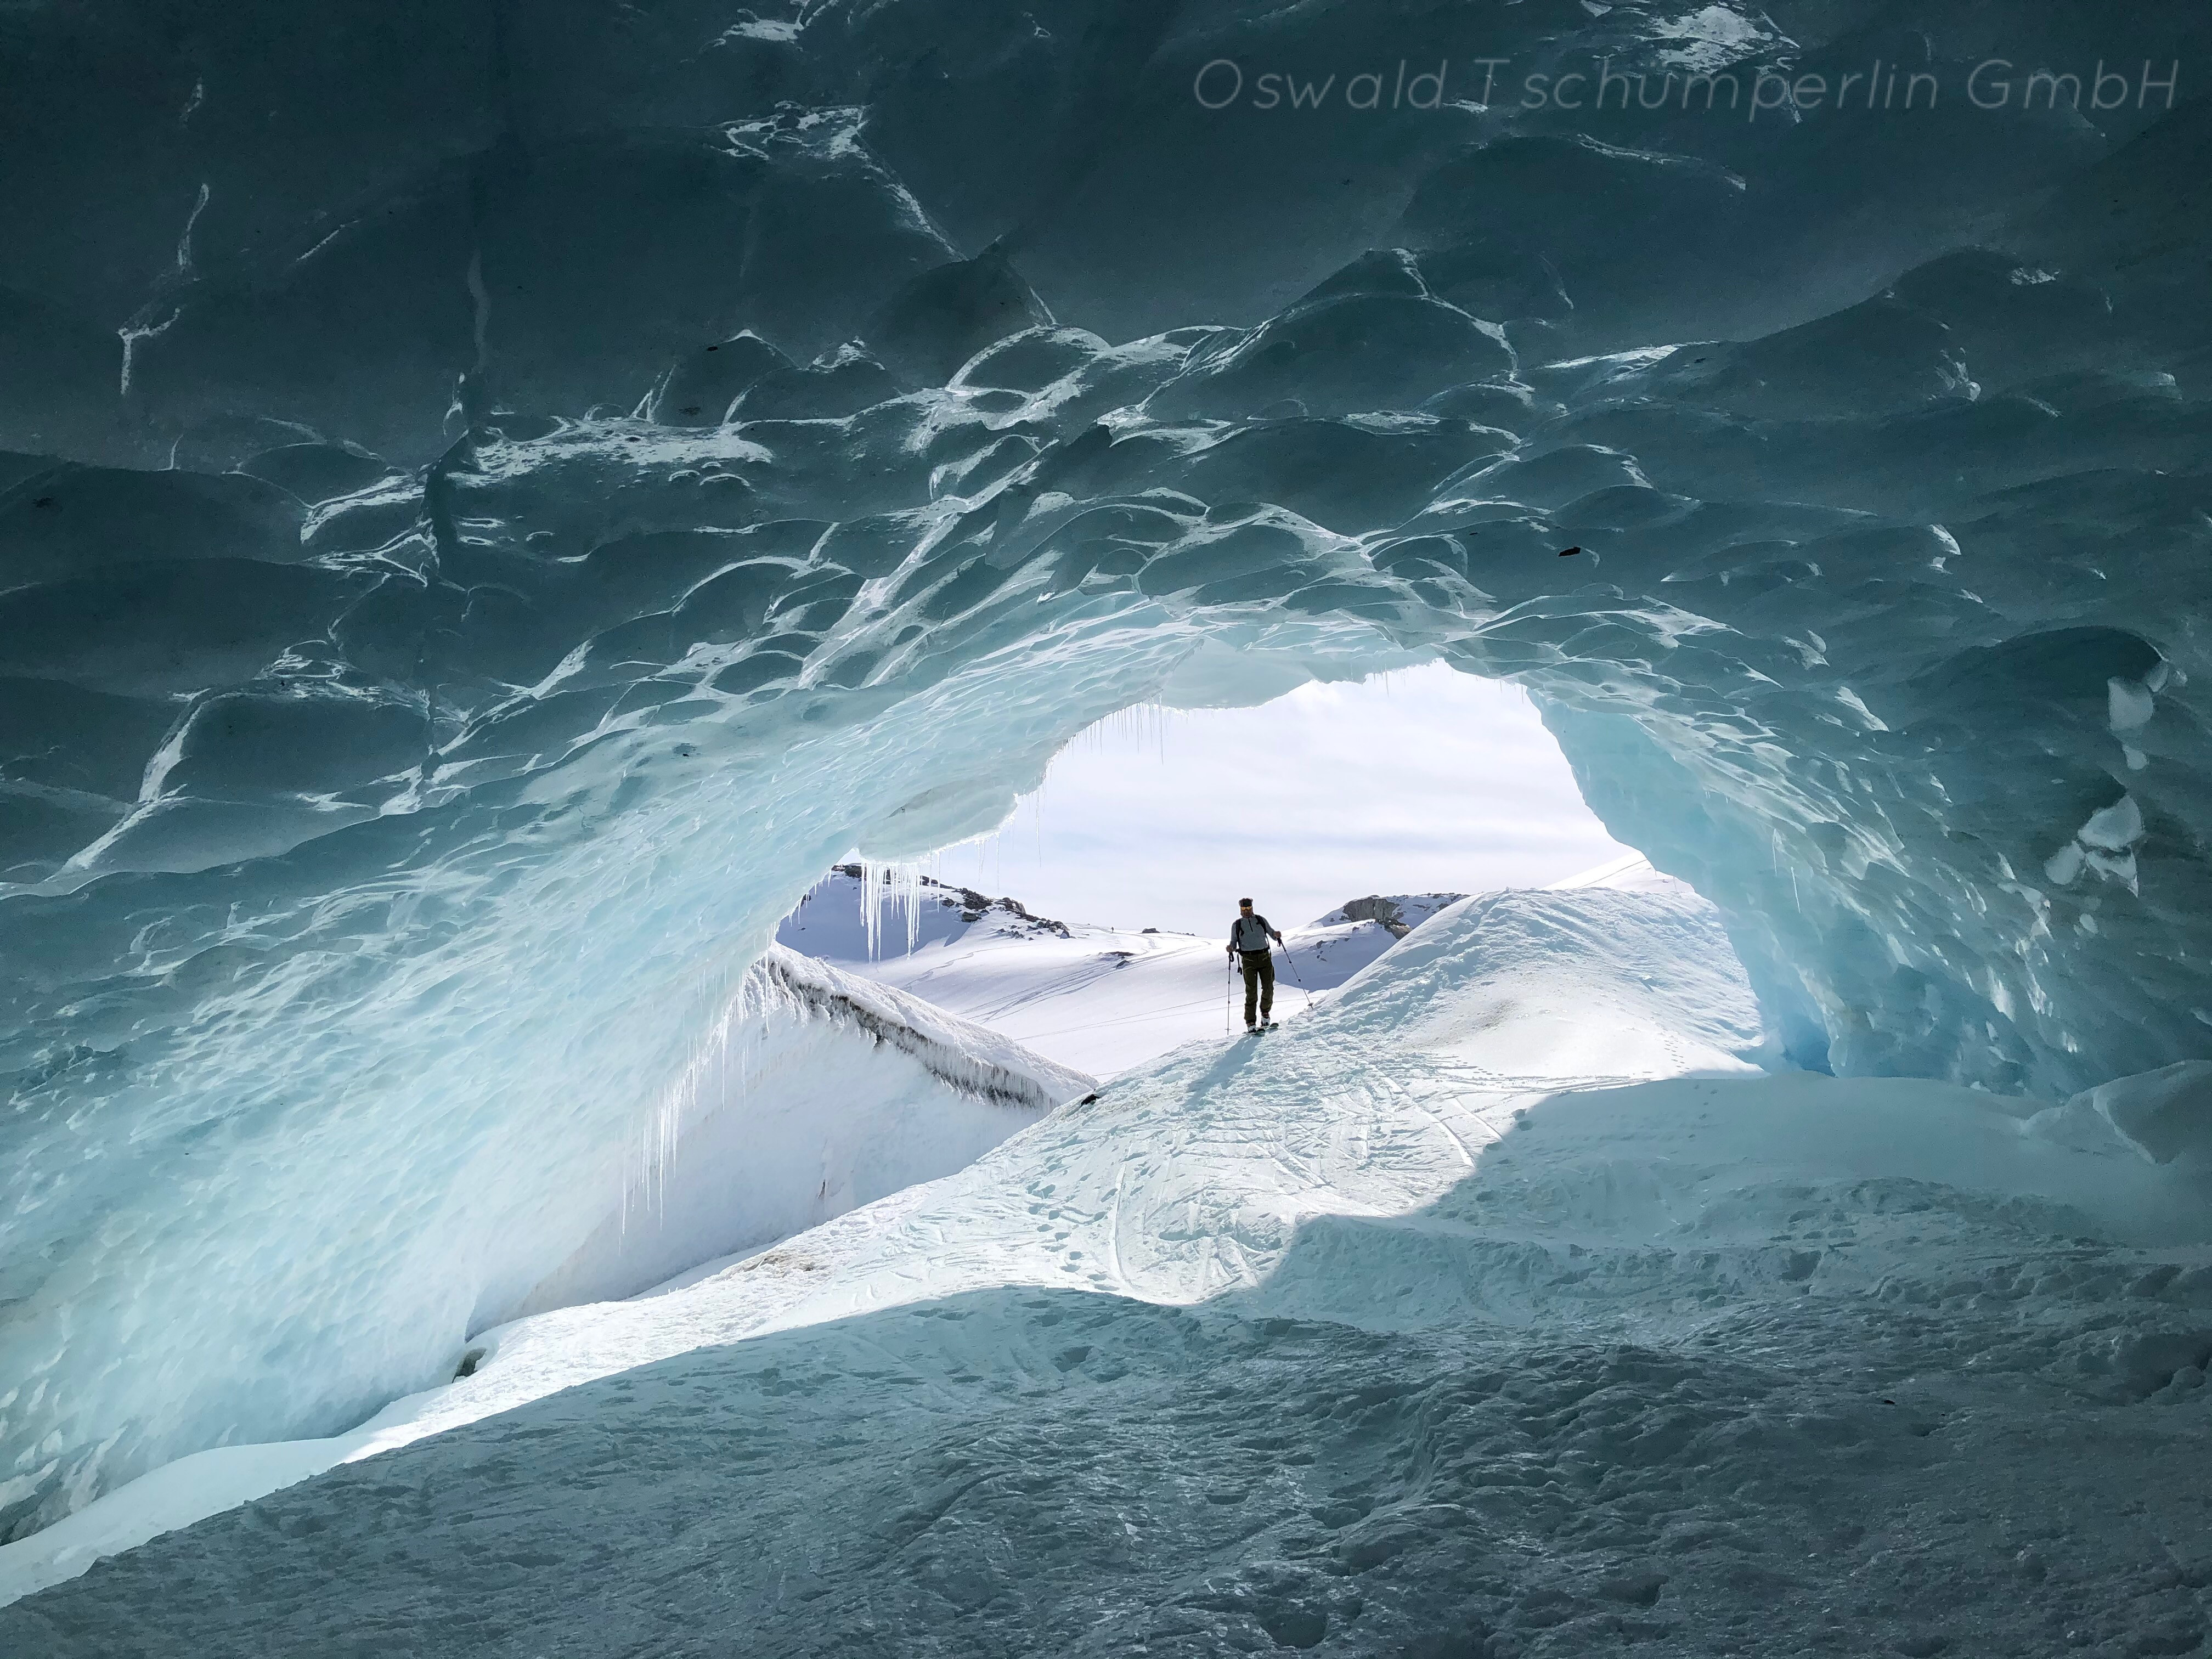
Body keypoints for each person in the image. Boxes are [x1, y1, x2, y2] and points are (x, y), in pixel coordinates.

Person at [1227, 898, 1284, 1031]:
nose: (1246, 911)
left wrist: (1277, 935)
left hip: (1265, 957)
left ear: (1252, 908)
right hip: (1248, 960)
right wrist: (1230, 948)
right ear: (1241, 910)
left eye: (1248, 909)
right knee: (1251, 991)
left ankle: (1265, 1014)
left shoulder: (1260, 920)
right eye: (1244, 909)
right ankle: (1251, 1022)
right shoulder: (1237, 925)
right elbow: (1233, 942)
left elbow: (1272, 934)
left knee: (1269, 987)